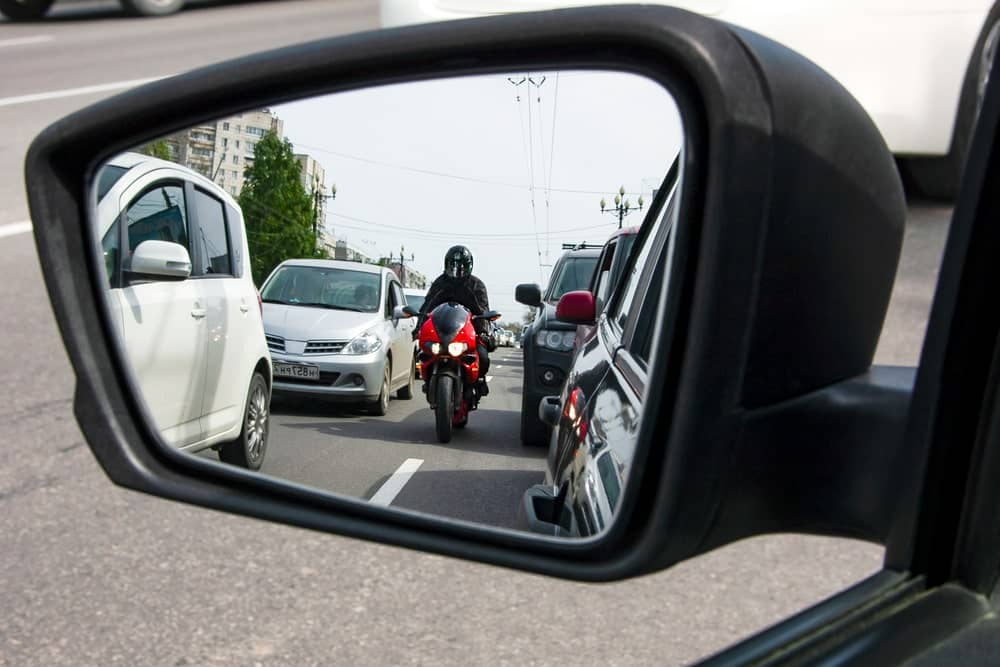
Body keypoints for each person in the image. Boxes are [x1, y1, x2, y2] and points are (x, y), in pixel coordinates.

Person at [417, 245, 493, 395]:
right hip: (442, 330)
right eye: (453, 265)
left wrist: (483, 332)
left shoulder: (476, 285)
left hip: (468, 330)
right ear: (446, 265)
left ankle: (478, 383)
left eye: (462, 266)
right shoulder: (440, 283)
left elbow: (483, 310)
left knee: (483, 357)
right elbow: (428, 305)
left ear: (469, 266)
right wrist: (418, 327)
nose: (457, 270)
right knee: (423, 354)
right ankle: (428, 381)